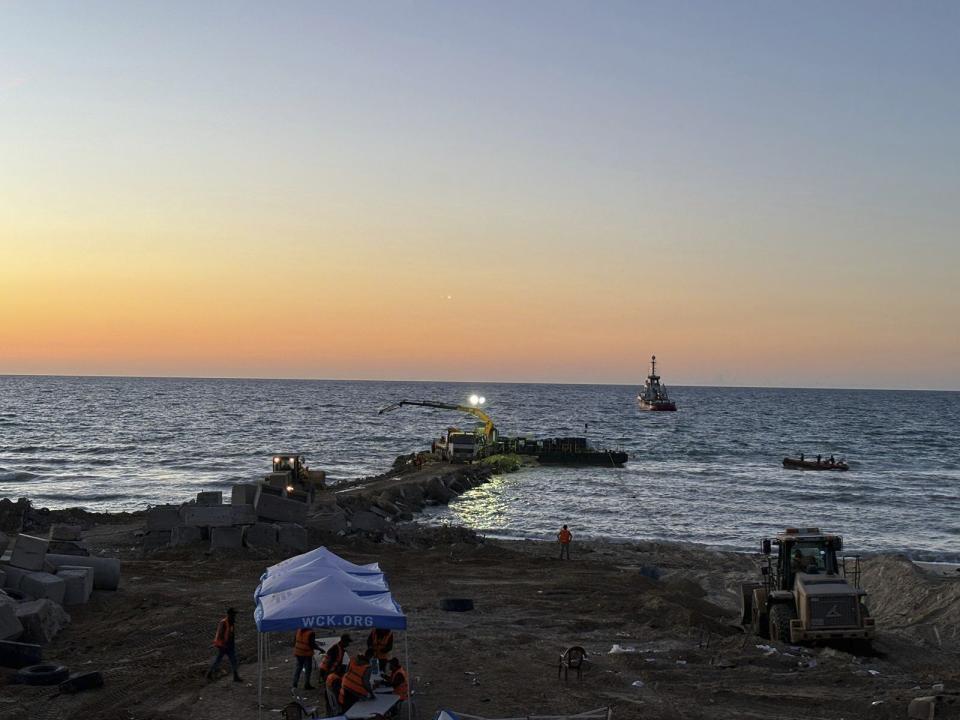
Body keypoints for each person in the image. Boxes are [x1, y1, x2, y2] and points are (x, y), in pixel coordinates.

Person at [206, 607, 243, 682]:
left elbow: (230, 634)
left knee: (232, 661)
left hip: (229, 645)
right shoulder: (224, 622)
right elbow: (220, 634)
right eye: (233, 614)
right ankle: (209, 674)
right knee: (220, 660)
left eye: (235, 614)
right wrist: (223, 644)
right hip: (224, 646)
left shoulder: (231, 622)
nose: (235, 615)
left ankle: (235, 676)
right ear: (229, 614)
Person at [292, 626, 322, 690]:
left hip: (298, 652)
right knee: (308, 670)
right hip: (306, 653)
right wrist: (320, 649)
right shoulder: (311, 633)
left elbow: (294, 641)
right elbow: (312, 644)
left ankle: (294, 684)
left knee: (298, 669)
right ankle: (307, 684)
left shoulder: (298, 629)